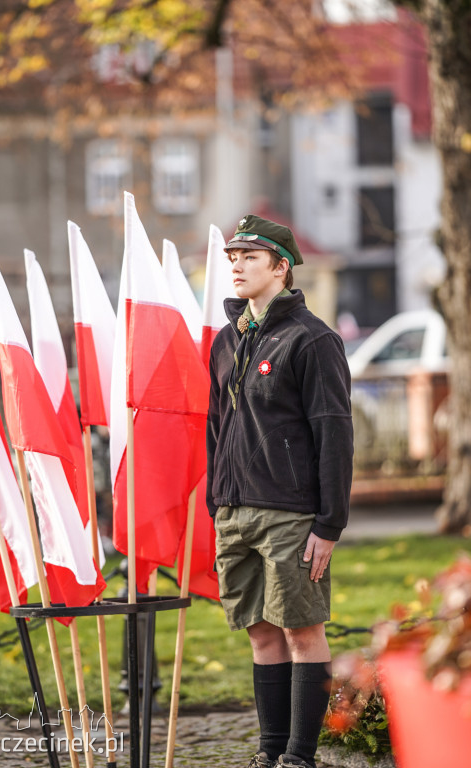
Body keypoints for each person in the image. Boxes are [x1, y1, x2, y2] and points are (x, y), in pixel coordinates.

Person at [206, 214, 354, 768]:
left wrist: (329, 523)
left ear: (281, 266)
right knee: (260, 635)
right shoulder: (226, 341)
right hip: (234, 511)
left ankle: (299, 757)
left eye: (249, 257)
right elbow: (217, 427)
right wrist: (216, 501)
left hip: (292, 514)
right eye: (232, 258)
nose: (237, 266)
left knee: (301, 631)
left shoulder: (313, 339)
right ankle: (269, 755)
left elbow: (334, 431)